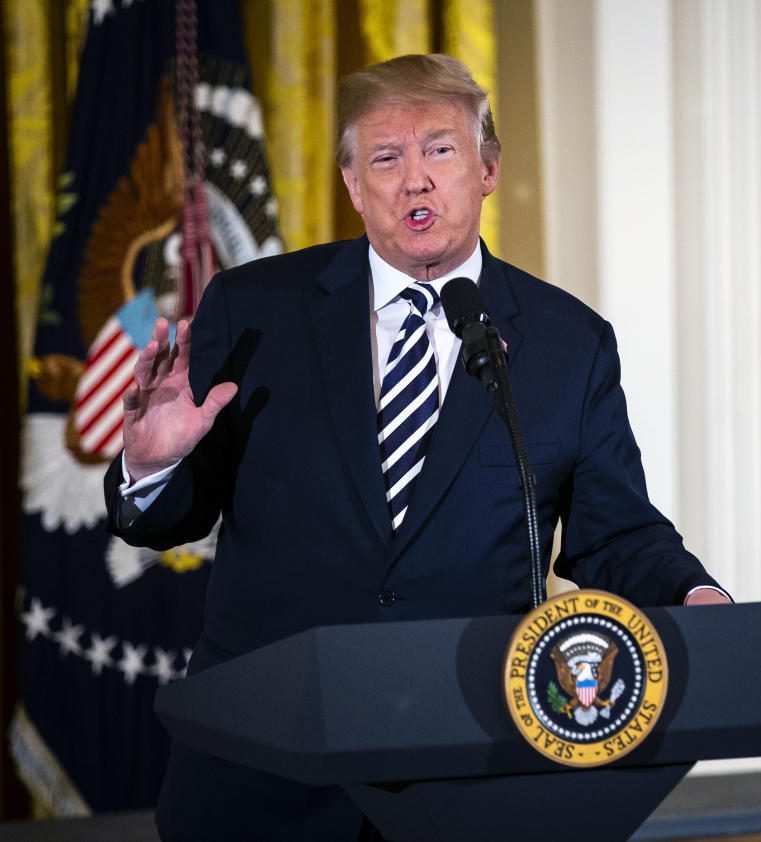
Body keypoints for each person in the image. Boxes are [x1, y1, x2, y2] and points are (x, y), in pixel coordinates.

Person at [106, 53, 729, 840]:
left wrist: (697, 599)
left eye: (440, 150)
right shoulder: (254, 309)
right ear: (353, 185)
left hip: (466, 762)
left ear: (488, 169)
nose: (415, 180)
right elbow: (167, 521)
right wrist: (154, 466)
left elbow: (616, 533)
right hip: (266, 770)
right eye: (385, 158)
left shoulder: (569, 344)